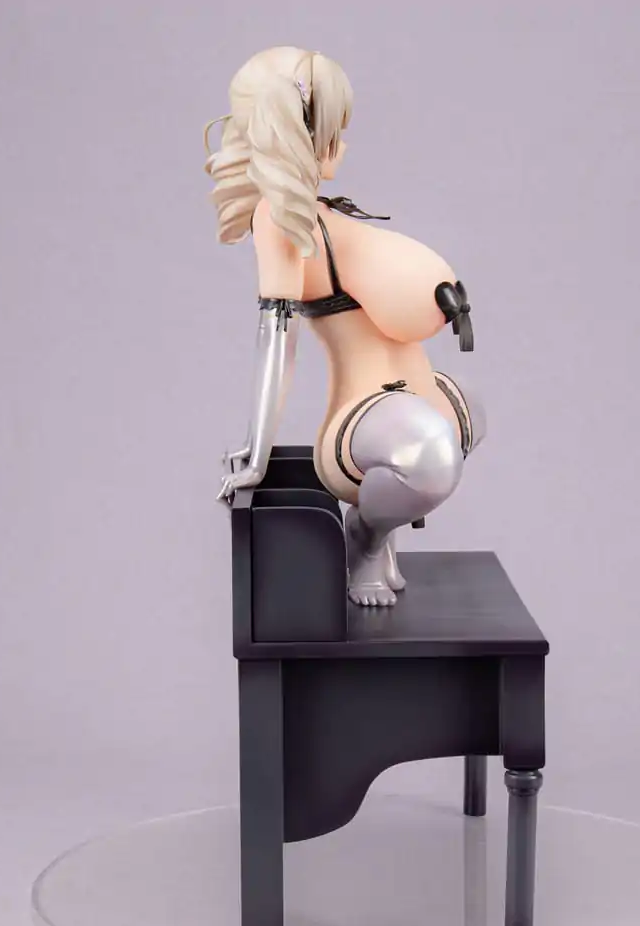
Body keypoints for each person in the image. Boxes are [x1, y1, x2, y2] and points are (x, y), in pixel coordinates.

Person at [206, 46, 486, 606]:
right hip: (365, 418)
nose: (344, 145)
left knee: (469, 418)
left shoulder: (320, 211)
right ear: (298, 133)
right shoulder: (280, 219)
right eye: (335, 132)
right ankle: (365, 538)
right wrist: (257, 452)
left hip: (419, 396)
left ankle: (383, 527)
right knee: (431, 457)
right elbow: (276, 339)